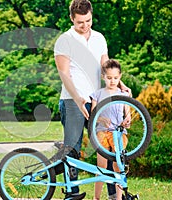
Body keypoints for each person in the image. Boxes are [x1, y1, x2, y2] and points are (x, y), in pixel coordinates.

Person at [54, 0, 130, 199]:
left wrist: (119, 85)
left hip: (98, 99)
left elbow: (106, 65)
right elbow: (64, 73)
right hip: (72, 100)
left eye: (88, 20)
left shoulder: (99, 38)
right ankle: (72, 192)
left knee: (108, 145)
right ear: (72, 18)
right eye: (80, 22)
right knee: (73, 149)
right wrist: (78, 98)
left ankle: (114, 194)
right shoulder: (65, 40)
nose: (85, 25)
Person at [91, 59, 131, 200]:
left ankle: (118, 198)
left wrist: (127, 120)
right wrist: (102, 119)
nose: (112, 81)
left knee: (117, 165)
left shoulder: (124, 95)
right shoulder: (98, 94)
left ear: (120, 77)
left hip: (118, 133)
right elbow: (93, 114)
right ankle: (96, 197)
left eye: (115, 78)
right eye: (109, 78)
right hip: (101, 132)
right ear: (103, 77)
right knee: (101, 166)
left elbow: (128, 115)